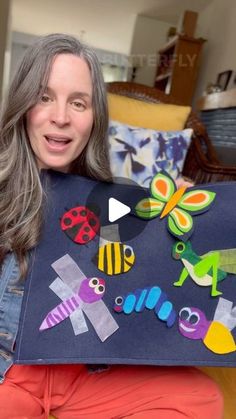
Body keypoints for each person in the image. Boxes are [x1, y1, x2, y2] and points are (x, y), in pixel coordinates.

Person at [0, 33, 223, 419]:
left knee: (203, 397)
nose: (61, 116)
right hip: (13, 372)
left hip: (83, 367)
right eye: (44, 96)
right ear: (23, 106)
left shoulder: (113, 199)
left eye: (78, 102)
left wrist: (180, 216)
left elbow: (155, 256)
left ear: (94, 117)